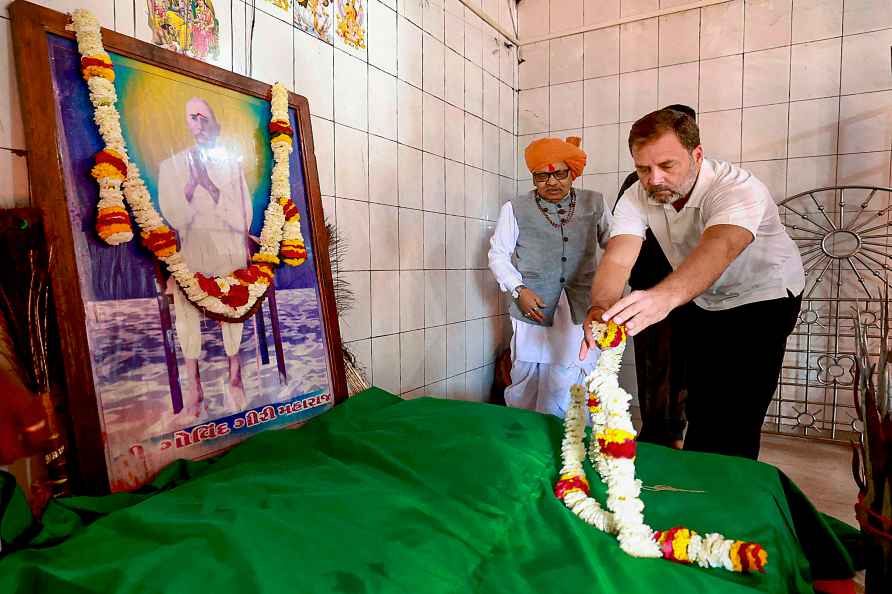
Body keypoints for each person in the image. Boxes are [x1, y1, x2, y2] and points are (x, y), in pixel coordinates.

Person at [580, 108, 804, 459]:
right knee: (701, 402)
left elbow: (721, 247)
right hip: (703, 299)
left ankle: (728, 492)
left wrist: (662, 298)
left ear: (696, 155)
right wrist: (600, 305)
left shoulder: (736, 187)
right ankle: (697, 481)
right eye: (643, 169)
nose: (654, 179)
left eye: (667, 166)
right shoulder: (637, 196)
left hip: (764, 297)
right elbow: (619, 257)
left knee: (735, 416)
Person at [489, 136, 611, 417]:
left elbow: (617, 246)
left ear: (572, 172)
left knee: (578, 375)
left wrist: (609, 292)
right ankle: (528, 444)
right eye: (542, 176)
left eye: (559, 174)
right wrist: (518, 290)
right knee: (527, 380)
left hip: (581, 309)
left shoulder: (595, 203)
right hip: (533, 308)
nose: (552, 182)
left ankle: (575, 444)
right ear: (533, 177)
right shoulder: (515, 208)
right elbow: (498, 254)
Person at [158, 97, 253, 420]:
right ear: (185, 123)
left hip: (229, 252)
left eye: (204, 118)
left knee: (233, 288)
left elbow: (243, 221)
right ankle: (195, 388)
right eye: (192, 118)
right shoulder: (170, 167)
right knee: (186, 294)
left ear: (214, 124)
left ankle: (235, 374)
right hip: (193, 251)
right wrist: (189, 186)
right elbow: (173, 217)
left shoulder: (231, 167)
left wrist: (211, 188)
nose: (198, 125)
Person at [615, 104, 696, 449]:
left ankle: (680, 433)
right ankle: (659, 436)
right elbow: (622, 242)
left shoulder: (701, 179)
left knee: (688, 364)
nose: (656, 177)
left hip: (692, 287)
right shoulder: (637, 185)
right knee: (656, 366)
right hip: (649, 285)